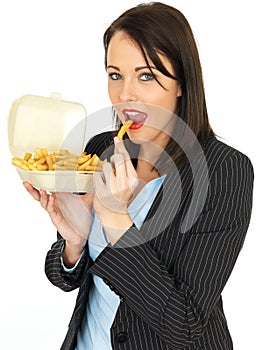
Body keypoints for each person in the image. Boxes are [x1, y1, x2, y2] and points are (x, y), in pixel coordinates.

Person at [23, 2, 254, 350]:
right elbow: (66, 279)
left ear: (182, 83)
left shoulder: (225, 170)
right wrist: (74, 244)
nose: (125, 94)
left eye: (146, 76)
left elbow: (184, 326)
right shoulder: (100, 148)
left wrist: (116, 221)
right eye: (115, 75)